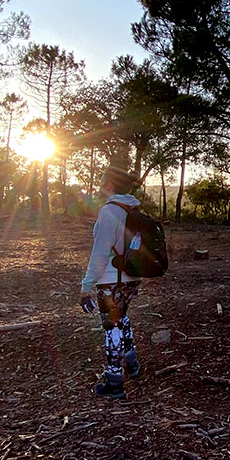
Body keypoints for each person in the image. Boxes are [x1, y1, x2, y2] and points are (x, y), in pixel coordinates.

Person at [80, 164, 147, 399]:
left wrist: (86, 286)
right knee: (122, 318)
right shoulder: (134, 208)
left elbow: (100, 253)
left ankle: (115, 381)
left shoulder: (109, 211)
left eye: (101, 181)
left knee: (112, 328)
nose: (99, 186)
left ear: (109, 185)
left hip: (111, 280)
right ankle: (133, 364)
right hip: (132, 277)